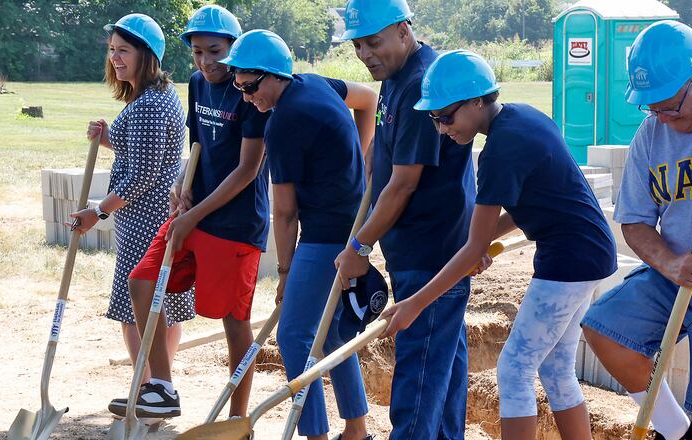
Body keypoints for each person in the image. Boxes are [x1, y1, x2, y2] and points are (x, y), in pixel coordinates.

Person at [380, 49, 618, 440]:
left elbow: (474, 246)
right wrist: (477, 248)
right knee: (556, 368)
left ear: (477, 101)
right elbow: (520, 213)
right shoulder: (522, 118)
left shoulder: (500, 151)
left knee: (515, 367)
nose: (441, 129)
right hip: (589, 250)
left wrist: (414, 304)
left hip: (569, 260)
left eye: (444, 116)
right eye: (434, 119)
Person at [105, 6, 272, 419]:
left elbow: (248, 169)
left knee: (235, 323)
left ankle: (238, 418)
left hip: (237, 223)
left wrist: (192, 215)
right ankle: (160, 387)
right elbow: (196, 147)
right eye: (197, 52)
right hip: (196, 212)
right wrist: (184, 188)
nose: (206, 62)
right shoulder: (198, 84)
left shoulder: (249, 91)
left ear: (234, 47)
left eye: (215, 51)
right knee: (142, 281)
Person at [333, 1, 480, 438]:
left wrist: (360, 248)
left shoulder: (421, 83)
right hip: (418, 248)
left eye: (373, 42)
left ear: (402, 30)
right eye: (358, 45)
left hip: (432, 251)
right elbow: (385, 157)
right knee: (445, 365)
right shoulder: (396, 77)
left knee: (418, 375)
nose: (364, 53)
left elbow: (403, 184)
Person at [223, 29, 378, 440]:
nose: (246, 96)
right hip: (349, 225)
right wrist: (358, 163)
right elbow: (368, 101)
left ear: (274, 75)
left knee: (294, 337)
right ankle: (357, 431)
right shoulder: (314, 82)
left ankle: (315, 435)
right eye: (238, 86)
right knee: (331, 332)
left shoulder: (284, 123)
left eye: (250, 86)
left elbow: (285, 211)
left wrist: (287, 273)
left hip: (325, 235)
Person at [581, 20, 692, 440]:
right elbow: (635, 221)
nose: (660, 117)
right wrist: (670, 261)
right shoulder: (652, 134)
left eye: (668, 106)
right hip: (678, 278)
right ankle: (680, 434)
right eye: (651, 107)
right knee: (604, 329)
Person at [73, 12, 195, 405]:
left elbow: (142, 176)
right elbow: (149, 158)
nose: (115, 58)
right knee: (164, 308)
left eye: (123, 50)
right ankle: (156, 390)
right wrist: (112, 138)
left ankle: (151, 390)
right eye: (112, 50)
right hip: (156, 217)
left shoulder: (148, 105)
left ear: (148, 55)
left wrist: (99, 210)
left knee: (135, 312)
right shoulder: (158, 98)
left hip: (146, 220)